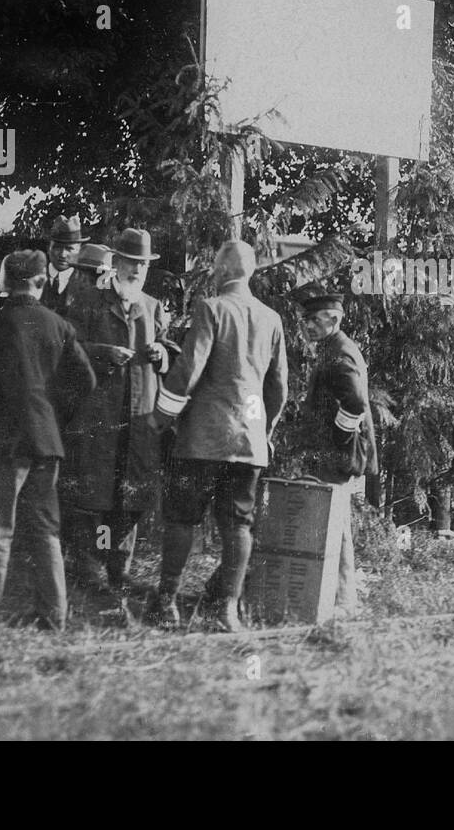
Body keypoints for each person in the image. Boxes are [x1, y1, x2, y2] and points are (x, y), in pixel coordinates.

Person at [149, 240, 288, 632]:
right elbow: (279, 388)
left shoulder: (211, 308)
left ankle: (166, 604)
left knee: (181, 519)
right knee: (238, 524)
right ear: (251, 272)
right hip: (249, 443)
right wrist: (265, 430)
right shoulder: (271, 318)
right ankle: (225, 610)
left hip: (203, 438)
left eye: (214, 267)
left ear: (222, 270)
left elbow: (189, 370)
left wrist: (161, 416)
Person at [0, 251, 96, 630]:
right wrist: (54, 415)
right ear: (40, 282)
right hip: (47, 439)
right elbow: (85, 381)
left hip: (5, 439)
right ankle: (55, 616)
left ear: (6, 281)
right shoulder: (60, 325)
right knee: (46, 529)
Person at [62, 229, 171, 601]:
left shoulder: (152, 307)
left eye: (143, 265)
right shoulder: (91, 301)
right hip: (99, 414)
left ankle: (118, 568)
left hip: (140, 416)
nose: (137, 271)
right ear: (117, 264)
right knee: (95, 492)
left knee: (131, 495)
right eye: (131, 264)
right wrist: (101, 352)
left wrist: (162, 352)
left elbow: (170, 345)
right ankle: (88, 567)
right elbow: (68, 347)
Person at [292, 292, 379, 618]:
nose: (308, 326)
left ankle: (342, 599)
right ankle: (342, 596)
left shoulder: (339, 353)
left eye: (315, 320)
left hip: (336, 454)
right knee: (336, 523)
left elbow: (355, 402)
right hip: (335, 453)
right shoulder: (335, 347)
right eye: (306, 320)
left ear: (333, 320)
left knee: (335, 524)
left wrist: (339, 439)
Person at [42, 216, 89, 313]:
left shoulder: (86, 282)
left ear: (79, 251)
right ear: (48, 248)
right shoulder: (34, 276)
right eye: (57, 247)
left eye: (69, 249)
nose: (63, 254)